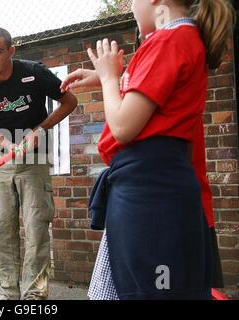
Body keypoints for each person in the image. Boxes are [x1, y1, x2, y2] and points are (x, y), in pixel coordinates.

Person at [60, 0, 234, 300]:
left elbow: (124, 126)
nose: (130, 7)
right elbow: (155, 97)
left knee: (152, 291)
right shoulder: (178, 40)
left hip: (150, 191)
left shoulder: (170, 40)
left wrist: (110, 78)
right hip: (150, 185)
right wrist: (107, 78)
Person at [0, 27, 78, 300]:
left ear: (11, 51)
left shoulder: (34, 73)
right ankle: (8, 293)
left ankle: (34, 295)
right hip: (3, 162)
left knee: (36, 228)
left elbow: (69, 101)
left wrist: (39, 130)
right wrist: (6, 143)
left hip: (35, 160)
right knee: (1, 230)